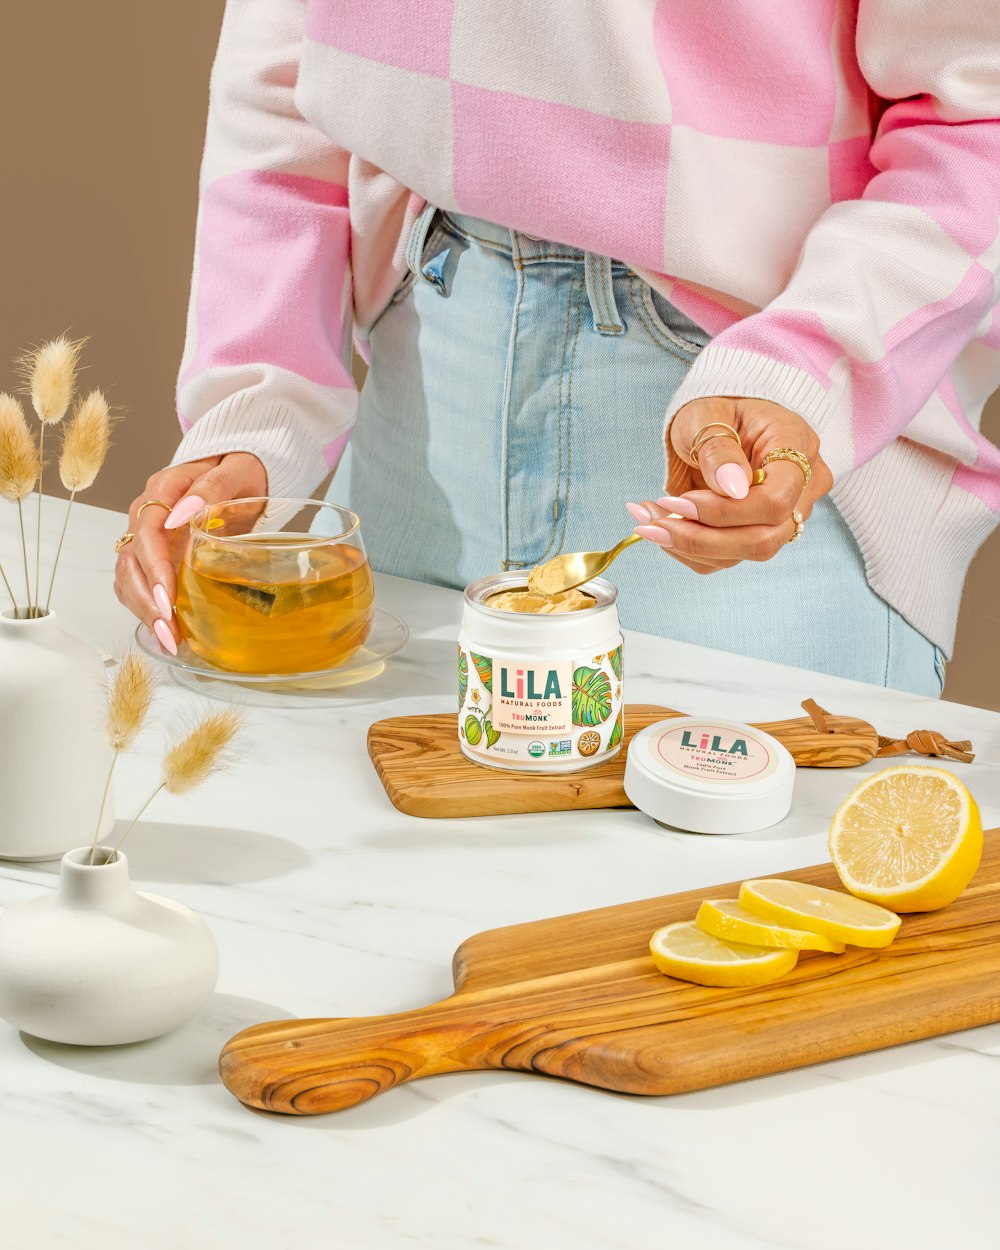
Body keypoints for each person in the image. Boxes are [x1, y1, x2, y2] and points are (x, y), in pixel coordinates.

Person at [114, 1, 1000, 696]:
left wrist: (808, 367)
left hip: (748, 446)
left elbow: (979, 114)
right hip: (418, 398)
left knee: (725, 918)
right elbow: (288, 50)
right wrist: (260, 408)